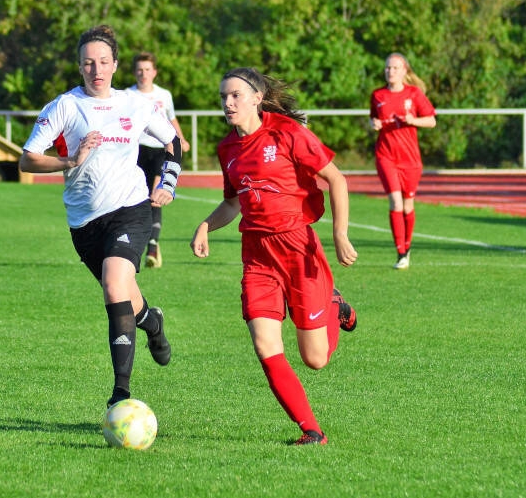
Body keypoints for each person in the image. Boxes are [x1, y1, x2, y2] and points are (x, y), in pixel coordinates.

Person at [190, 67, 358, 445]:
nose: (227, 103)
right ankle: (311, 431)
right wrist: (205, 225)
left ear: (256, 97)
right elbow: (233, 203)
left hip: (299, 248)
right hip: (257, 256)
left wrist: (339, 233)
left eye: (234, 95)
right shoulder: (227, 149)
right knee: (265, 344)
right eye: (222, 97)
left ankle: (335, 304)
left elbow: (337, 179)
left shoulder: (287, 132)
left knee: (315, 358)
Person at [19, 25, 183, 408]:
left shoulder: (136, 105)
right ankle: (152, 322)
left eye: (104, 62)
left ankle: (120, 394)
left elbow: (172, 141)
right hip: (84, 223)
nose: (97, 69)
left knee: (113, 286)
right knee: (123, 294)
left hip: (130, 209)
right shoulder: (64, 106)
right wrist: (70, 160)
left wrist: (168, 183)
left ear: (115, 65)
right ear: (80, 67)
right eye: (89, 63)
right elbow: (27, 158)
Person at [370, 52, 436, 270]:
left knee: (408, 205)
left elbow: (432, 121)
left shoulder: (414, 94)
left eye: (395, 68)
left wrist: (413, 120)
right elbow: (374, 118)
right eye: (388, 68)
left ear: (404, 71)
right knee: (396, 202)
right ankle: (400, 252)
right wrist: (374, 124)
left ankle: (407, 248)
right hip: (386, 156)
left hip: (410, 159)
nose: (390, 71)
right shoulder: (378, 95)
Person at [127, 52, 190, 268]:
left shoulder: (164, 95)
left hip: (161, 149)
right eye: (140, 69)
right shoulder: (127, 95)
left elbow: (170, 119)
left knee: (156, 196)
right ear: (134, 72)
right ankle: (138, 243)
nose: (143, 74)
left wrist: (181, 140)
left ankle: (152, 247)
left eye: (147, 69)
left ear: (154, 72)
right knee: (138, 198)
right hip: (136, 151)